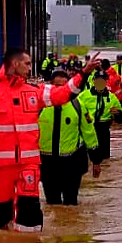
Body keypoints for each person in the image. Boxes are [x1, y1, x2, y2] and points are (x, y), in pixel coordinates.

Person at [0, 48, 100, 230]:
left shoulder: (35, 91)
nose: (30, 68)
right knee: (1, 218)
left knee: (30, 214)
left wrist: (84, 73)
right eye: (27, 63)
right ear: (15, 64)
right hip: (0, 167)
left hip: (28, 164)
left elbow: (64, 93)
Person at [38, 69, 102, 206]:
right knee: (52, 203)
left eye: (64, 86)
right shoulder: (39, 107)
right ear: (50, 86)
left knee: (70, 202)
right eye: (57, 86)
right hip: (47, 163)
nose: (61, 90)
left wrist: (96, 160)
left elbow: (89, 133)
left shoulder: (78, 106)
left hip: (72, 163)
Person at [79, 71, 122, 163]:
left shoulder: (112, 97)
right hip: (88, 129)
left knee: (105, 161)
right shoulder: (84, 96)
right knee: (87, 160)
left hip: (104, 130)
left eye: (103, 80)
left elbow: (120, 119)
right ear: (94, 81)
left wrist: (117, 113)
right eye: (98, 80)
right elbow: (76, 111)